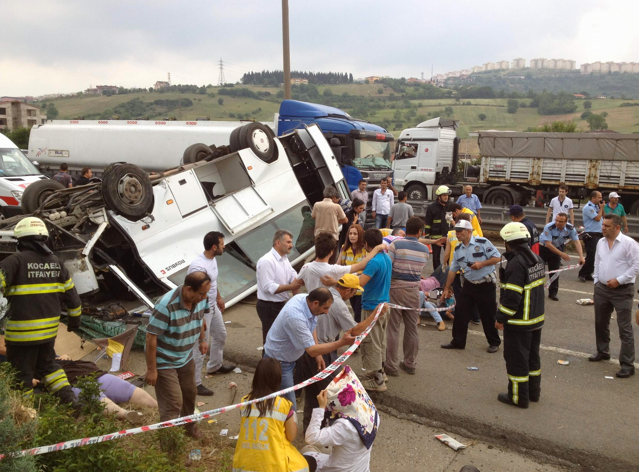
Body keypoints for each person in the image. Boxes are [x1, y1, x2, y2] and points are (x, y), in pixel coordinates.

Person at [0, 217, 82, 404]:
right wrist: (74, 322)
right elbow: (73, 298)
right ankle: (70, 402)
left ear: (20, 241)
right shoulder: (57, 263)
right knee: (49, 367)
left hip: (20, 336)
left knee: (20, 376)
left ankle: (27, 417)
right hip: (48, 333)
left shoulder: (14, 261)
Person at [299, 275, 380, 432]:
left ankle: (309, 429)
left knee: (312, 393)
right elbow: (354, 330)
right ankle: (326, 432)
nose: (354, 295)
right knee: (331, 394)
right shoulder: (339, 305)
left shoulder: (327, 294)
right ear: (348, 290)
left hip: (310, 348)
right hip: (322, 350)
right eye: (354, 292)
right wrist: (374, 315)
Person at [264, 288, 355, 411]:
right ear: (316, 303)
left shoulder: (305, 299)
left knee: (280, 401)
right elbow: (311, 350)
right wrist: (341, 343)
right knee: (290, 408)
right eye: (325, 308)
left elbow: (312, 325)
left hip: (288, 358)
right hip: (279, 363)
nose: (327, 312)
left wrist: (318, 355)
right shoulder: (295, 316)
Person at [144, 271, 211, 438]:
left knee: (190, 393)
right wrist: (152, 369)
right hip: (165, 361)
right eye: (201, 293)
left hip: (185, 357)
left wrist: (202, 339)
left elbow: (200, 318)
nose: (204, 297)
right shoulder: (165, 306)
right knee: (173, 403)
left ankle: (189, 430)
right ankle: (169, 448)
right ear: (189, 289)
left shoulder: (201, 299)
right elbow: (151, 337)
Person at [495, 222, 545, 409]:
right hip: (536, 319)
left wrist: (500, 318)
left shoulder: (516, 264)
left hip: (519, 322)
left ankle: (517, 397)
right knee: (532, 358)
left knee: (516, 359)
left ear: (509, 242)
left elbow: (512, 297)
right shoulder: (537, 259)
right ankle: (533, 392)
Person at [232, 358, 309, 472]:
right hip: (273, 466)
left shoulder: (245, 402)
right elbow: (291, 436)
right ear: (277, 379)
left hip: (242, 466)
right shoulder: (283, 405)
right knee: (304, 464)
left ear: (256, 377)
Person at [589, 214, 639, 378]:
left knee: (625, 328)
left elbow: (636, 266)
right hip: (602, 289)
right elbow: (597, 262)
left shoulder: (629, 244)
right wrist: (596, 282)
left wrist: (619, 280)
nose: (602, 228)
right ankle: (603, 351)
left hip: (622, 290)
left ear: (617, 227)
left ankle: (627, 364)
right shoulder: (600, 243)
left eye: (607, 226)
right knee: (600, 322)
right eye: (603, 225)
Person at [440, 220, 502, 353]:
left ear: (469, 232)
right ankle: (458, 341)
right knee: (461, 313)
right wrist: (446, 288)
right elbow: (453, 270)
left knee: (488, 315)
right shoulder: (458, 249)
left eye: (460, 231)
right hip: (469, 285)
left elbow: (497, 258)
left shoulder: (483, 242)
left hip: (485, 284)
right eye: (456, 231)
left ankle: (494, 342)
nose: (457, 234)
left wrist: (482, 264)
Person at [303, 366, 379, 472]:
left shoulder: (346, 426)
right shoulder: (371, 410)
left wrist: (321, 408)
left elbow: (311, 438)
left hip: (340, 469)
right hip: (361, 468)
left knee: (306, 452)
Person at [187, 231, 235, 397]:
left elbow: (212, 283)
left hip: (212, 306)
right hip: (201, 309)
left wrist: (219, 297)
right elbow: (193, 291)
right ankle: (195, 383)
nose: (224, 246)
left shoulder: (212, 259)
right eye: (222, 244)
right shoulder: (198, 266)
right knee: (200, 346)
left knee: (221, 335)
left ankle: (215, 365)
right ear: (214, 247)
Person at [43, 356, 158, 421]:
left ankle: (158, 406)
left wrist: (62, 356)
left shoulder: (44, 347)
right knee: (93, 394)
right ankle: (126, 414)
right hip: (70, 382)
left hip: (90, 372)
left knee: (125, 387)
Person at [385, 217, 430, 377]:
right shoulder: (425, 250)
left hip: (395, 289)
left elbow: (388, 266)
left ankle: (391, 365)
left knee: (393, 328)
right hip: (413, 291)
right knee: (412, 328)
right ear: (420, 232)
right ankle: (410, 363)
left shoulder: (395, 245)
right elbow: (420, 268)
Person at [256, 230, 304, 344]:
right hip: (269, 307)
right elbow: (268, 287)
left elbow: (292, 274)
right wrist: (291, 286)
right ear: (278, 243)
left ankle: (277, 361)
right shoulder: (267, 261)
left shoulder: (284, 258)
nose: (291, 245)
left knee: (281, 339)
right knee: (270, 341)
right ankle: (268, 361)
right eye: (288, 242)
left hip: (280, 304)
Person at [299, 232, 383, 293]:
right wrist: (376, 249)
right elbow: (361, 266)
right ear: (331, 252)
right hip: (330, 308)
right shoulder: (334, 269)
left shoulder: (306, 267)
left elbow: (297, 283)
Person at [442, 213, 481, 325]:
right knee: (472, 292)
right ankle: (475, 316)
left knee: (459, 294)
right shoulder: (475, 233)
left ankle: (463, 315)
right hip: (470, 268)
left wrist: (444, 264)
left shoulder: (450, 234)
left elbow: (446, 253)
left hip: (456, 270)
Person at [539, 213, 585, 301]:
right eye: (556, 220)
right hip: (543, 248)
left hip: (557, 248)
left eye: (560, 221)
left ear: (566, 221)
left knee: (555, 271)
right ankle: (538, 292)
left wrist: (581, 256)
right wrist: (562, 254)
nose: (557, 222)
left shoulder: (570, 228)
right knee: (539, 272)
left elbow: (576, 242)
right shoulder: (549, 227)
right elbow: (548, 244)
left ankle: (553, 293)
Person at [313, 187, 349, 263]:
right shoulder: (336, 206)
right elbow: (345, 220)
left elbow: (313, 216)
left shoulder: (316, 204)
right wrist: (336, 220)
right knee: (331, 259)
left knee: (319, 258)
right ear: (333, 197)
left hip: (319, 235)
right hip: (332, 236)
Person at [340, 224, 367, 322]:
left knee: (358, 314)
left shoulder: (365, 251)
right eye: (350, 233)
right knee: (355, 312)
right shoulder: (345, 249)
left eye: (355, 234)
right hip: (349, 287)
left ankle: (357, 335)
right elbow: (340, 265)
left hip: (360, 287)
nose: (352, 236)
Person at [579, 191, 604, 283]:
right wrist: (601, 209)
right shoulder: (588, 207)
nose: (601, 199)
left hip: (598, 234)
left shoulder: (597, 207)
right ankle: (582, 273)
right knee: (591, 255)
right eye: (599, 197)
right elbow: (597, 219)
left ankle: (589, 273)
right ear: (593, 198)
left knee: (597, 255)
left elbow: (603, 216)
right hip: (591, 234)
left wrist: (602, 208)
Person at [424, 185, 451, 270]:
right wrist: (427, 236)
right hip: (436, 237)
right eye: (444, 195)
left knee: (450, 257)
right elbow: (428, 222)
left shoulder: (450, 206)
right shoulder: (432, 207)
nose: (446, 197)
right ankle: (437, 276)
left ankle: (449, 275)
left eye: (447, 195)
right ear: (439, 197)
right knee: (436, 258)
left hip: (448, 236)